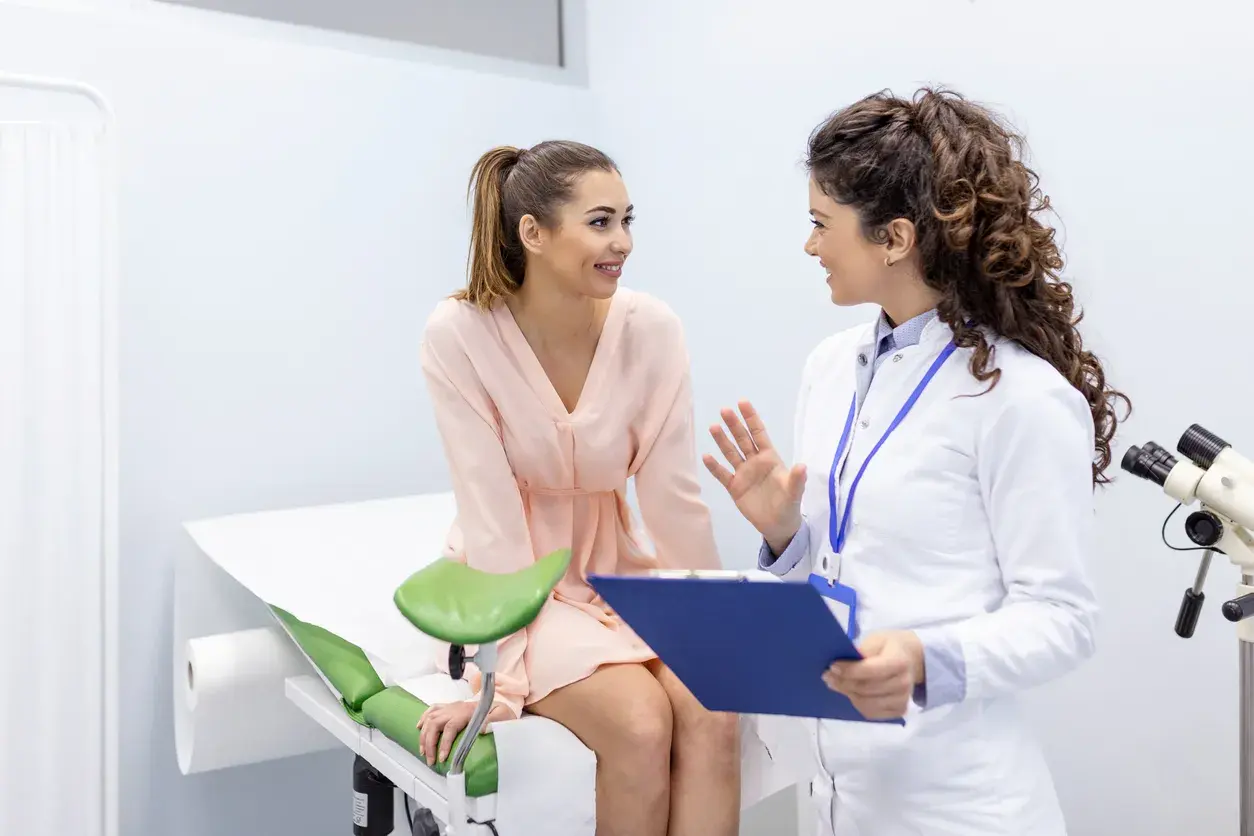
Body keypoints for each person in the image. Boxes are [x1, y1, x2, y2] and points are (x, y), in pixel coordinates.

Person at [704, 88, 1131, 835]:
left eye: (820, 223)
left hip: (962, 807)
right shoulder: (830, 366)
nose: (809, 245)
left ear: (895, 237)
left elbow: (1063, 618)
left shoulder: (1021, 397)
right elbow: (847, 578)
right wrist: (785, 538)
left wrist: (925, 659)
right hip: (840, 800)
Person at [416, 140, 741, 836]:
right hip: (523, 583)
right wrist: (498, 685)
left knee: (716, 707)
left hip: (619, 570)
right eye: (600, 222)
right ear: (532, 233)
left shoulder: (651, 329)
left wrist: (714, 627)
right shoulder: (461, 334)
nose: (621, 242)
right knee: (638, 721)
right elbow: (492, 516)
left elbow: (673, 496)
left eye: (628, 220)